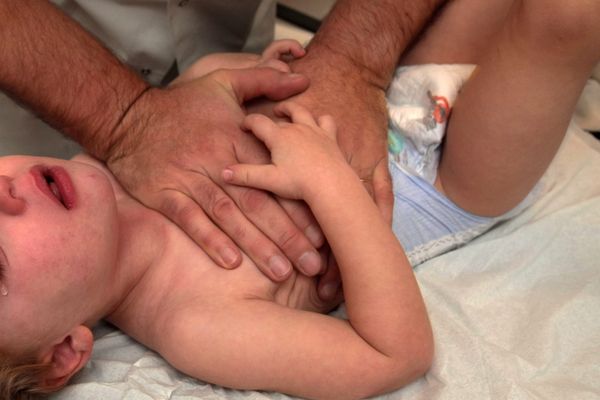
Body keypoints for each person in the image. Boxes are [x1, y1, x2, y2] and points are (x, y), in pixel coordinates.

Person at [3, 0, 599, 398]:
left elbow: (190, 102)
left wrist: (239, 77)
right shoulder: (193, 324)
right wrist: (328, 183)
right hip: (444, 178)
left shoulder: (103, 163)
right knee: (562, 20)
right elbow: (394, 354)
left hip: (383, 84)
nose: (1, 197)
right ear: (64, 353)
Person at [0, 0, 447, 288]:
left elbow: (201, 84)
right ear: (64, 355)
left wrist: (346, 58)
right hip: (423, 193)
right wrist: (122, 118)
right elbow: (395, 353)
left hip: (330, 89)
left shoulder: (73, 181)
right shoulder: (184, 322)